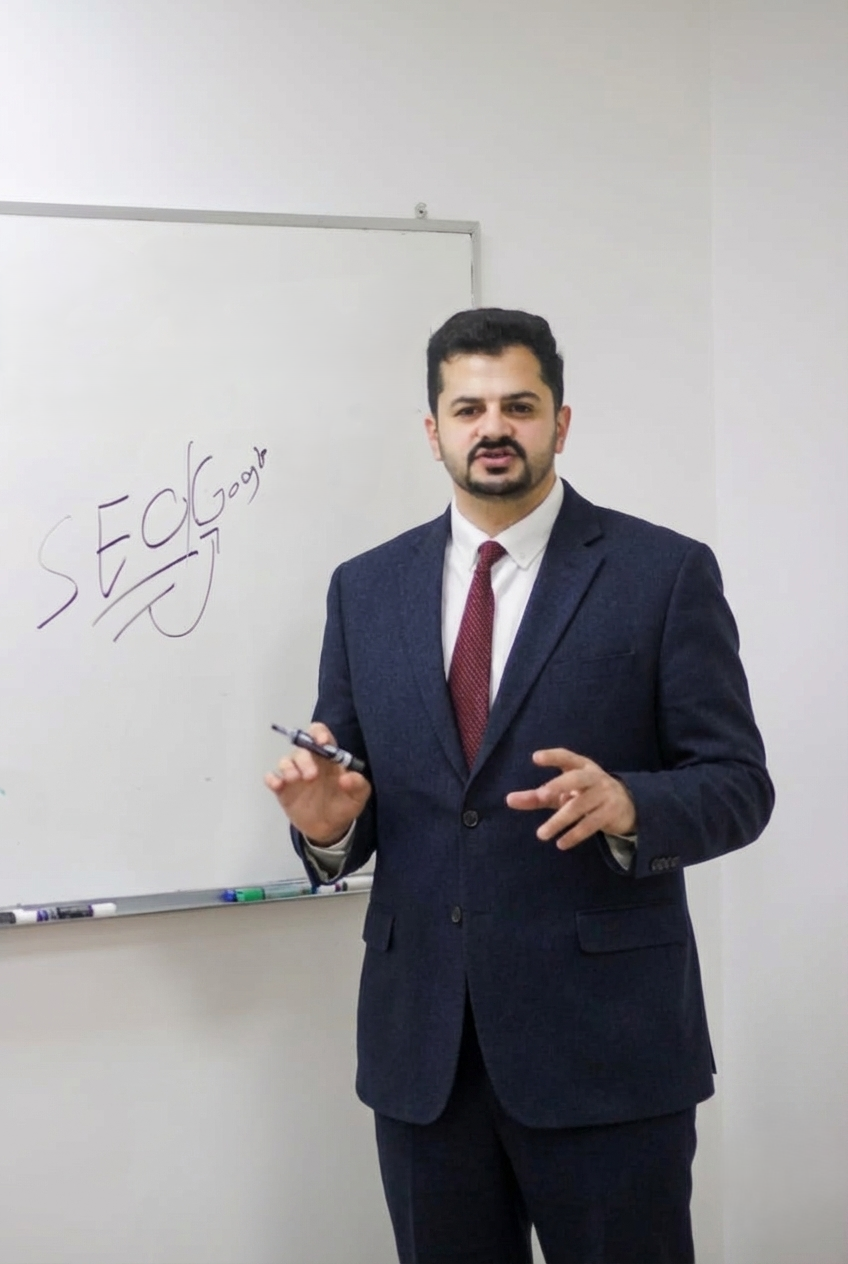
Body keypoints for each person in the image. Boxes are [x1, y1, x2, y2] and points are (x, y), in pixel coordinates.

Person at [265, 308, 774, 1264]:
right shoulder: (364, 588)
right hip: (426, 1057)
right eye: (469, 409)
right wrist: (329, 830)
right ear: (434, 430)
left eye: (519, 406)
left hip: (609, 1051)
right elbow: (350, 785)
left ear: (560, 422)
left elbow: (740, 783)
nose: (493, 427)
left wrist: (634, 805)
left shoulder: (661, 573)